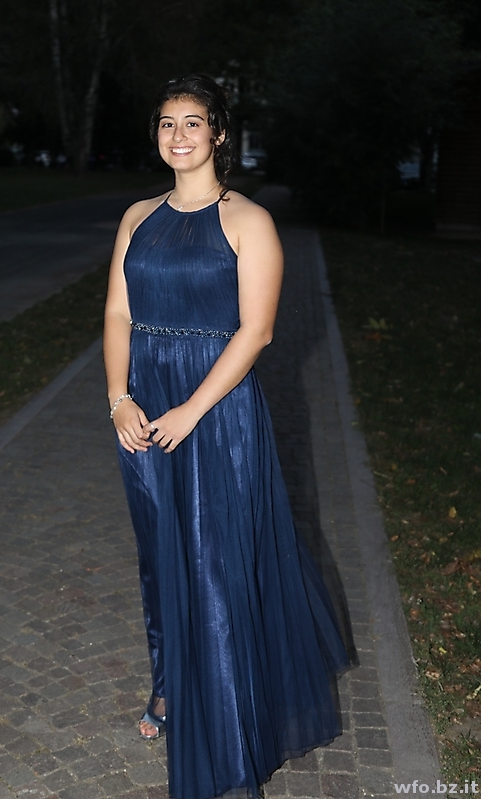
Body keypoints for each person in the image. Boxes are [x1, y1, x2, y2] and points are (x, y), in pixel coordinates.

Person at [103, 74, 351, 799]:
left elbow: (258, 331)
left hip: (216, 411)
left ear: (218, 134)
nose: (178, 134)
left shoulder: (248, 220)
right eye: (166, 122)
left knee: (212, 562)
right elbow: (118, 313)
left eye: (193, 122)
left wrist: (191, 409)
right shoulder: (137, 217)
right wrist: (118, 398)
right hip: (143, 408)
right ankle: (170, 685)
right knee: (160, 556)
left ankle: (229, 726)